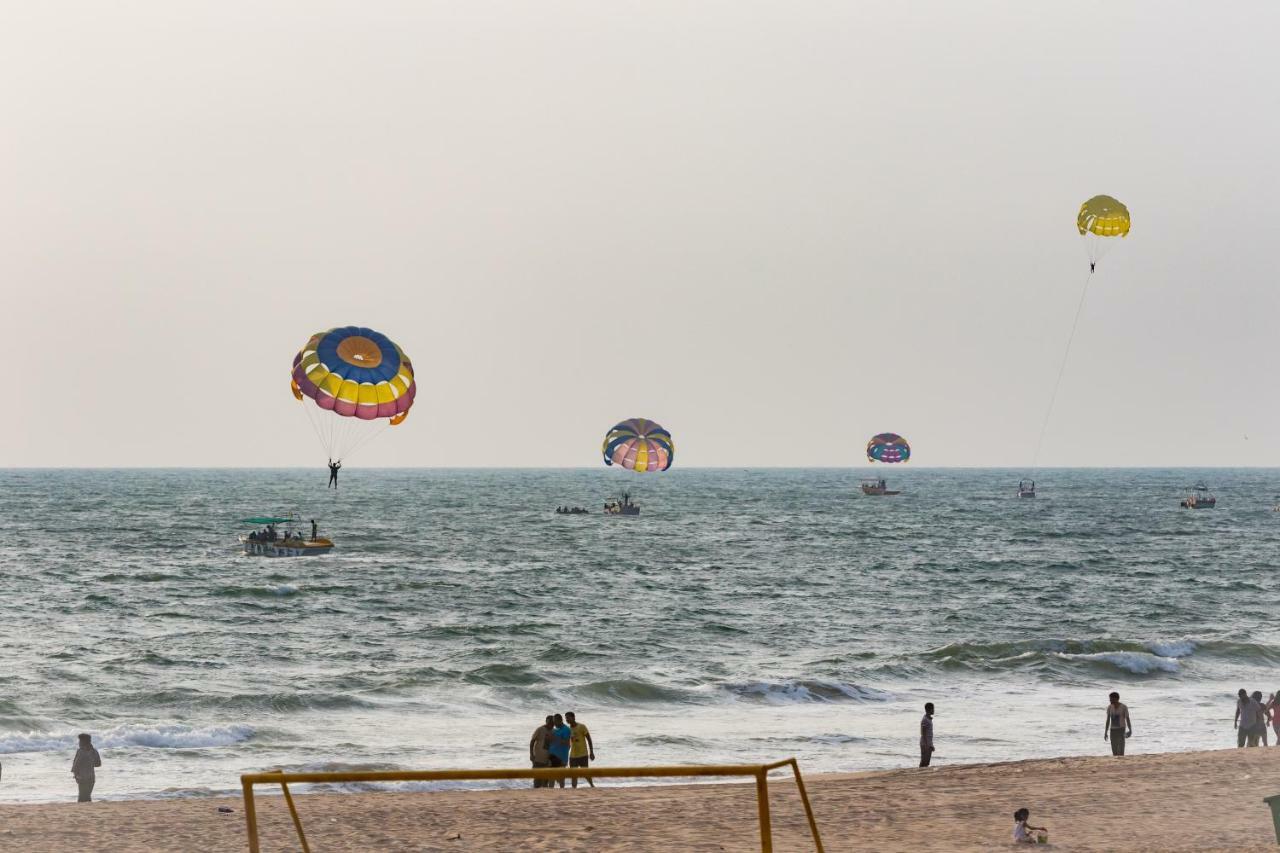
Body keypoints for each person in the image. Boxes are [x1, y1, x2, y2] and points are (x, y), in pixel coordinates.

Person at [565, 711, 596, 788]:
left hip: (583, 754)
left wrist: (591, 752)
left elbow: (589, 739)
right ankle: (574, 789)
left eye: (568, 718)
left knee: (585, 773)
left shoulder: (581, 726)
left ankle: (592, 785)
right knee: (573, 774)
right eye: (566, 718)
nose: (567, 719)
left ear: (573, 717)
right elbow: (569, 743)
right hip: (573, 755)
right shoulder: (568, 730)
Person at [71, 733, 101, 803]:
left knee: (81, 797)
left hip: (82, 777)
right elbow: (98, 764)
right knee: (88, 796)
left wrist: (75, 776)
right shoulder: (94, 751)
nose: (79, 743)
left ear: (83, 742)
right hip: (91, 777)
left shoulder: (80, 751)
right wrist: (89, 764)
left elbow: (76, 765)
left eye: (80, 741)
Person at [547, 713, 571, 788]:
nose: (554, 723)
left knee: (561, 778)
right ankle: (551, 793)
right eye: (553, 722)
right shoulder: (555, 730)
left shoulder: (566, 729)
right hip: (552, 756)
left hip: (561, 757)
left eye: (555, 721)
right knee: (551, 777)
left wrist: (555, 738)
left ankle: (562, 792)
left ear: (560, 720)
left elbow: (567, 743)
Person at [529, 715, 554, 789]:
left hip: (548, 760)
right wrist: (531, 754)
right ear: (546, 722)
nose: (551, 725)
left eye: (553, 723)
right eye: (550, 722)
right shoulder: (540, 729)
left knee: (546, 781)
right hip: (538, 759)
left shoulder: (554, 731)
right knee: (537, 780)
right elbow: (532, 741)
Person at [1104, 692, 1132, 756]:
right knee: (1114, 751)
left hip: (1121, 730)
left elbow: (1127, 719)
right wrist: (1105, 732)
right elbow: (1108, 720)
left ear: (1116, 699)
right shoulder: (1109, 707)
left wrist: (1130, 730)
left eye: (1111, 699)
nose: (1110, 700)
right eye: (1110, 699)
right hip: (1112, 730)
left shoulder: (1124, 707)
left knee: (1121, 750)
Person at [919, 702, 935, 767]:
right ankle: (919, 773)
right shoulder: (925, 719)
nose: (934, 710)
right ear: (929, 709)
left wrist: (931, 744)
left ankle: (921, 773)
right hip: (925, 743)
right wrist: (927, 744)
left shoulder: (929, 719)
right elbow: (923, 732)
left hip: (928, 743)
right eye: (933, 709)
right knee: (924, 761)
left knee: (927, 762)